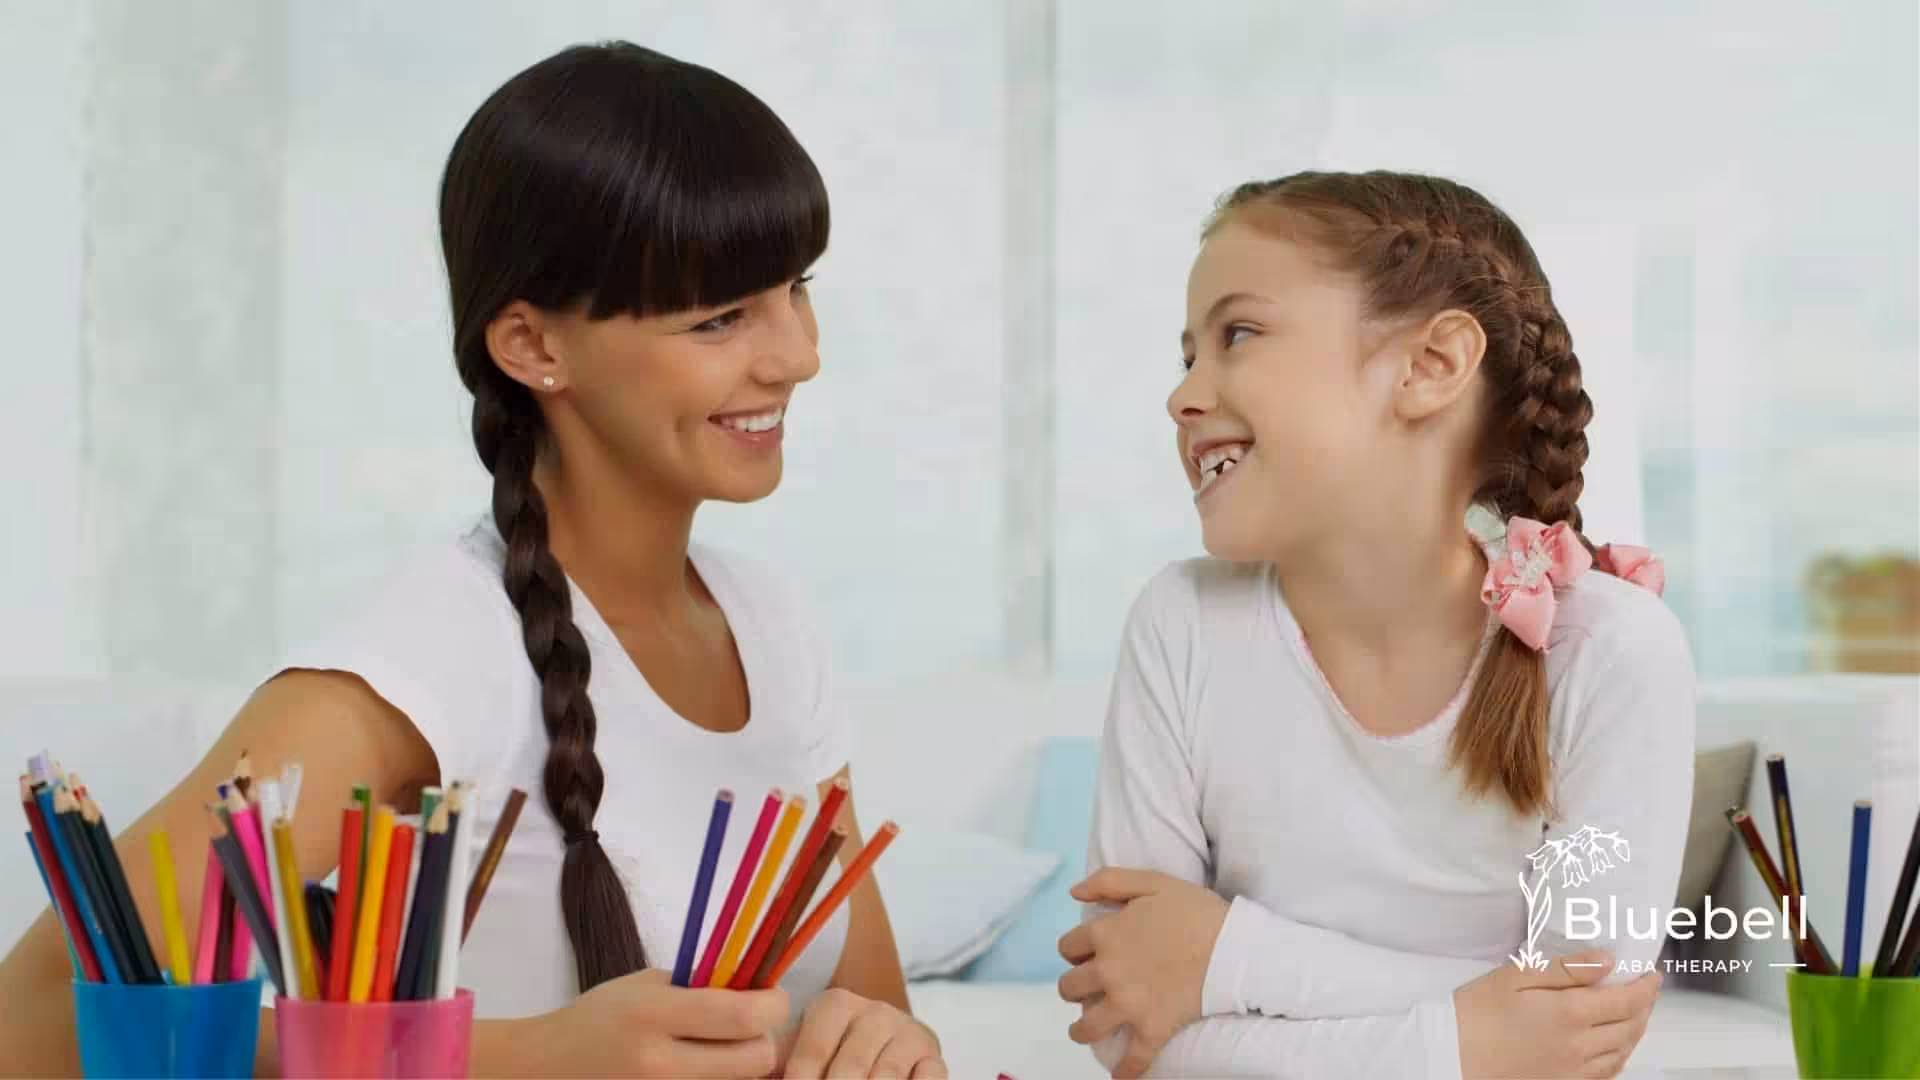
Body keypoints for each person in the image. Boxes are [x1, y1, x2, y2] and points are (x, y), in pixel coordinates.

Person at [0, 42, 944, 1079]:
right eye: (721, 318)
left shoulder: (771, 626)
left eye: (795, 290)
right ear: (534, 348)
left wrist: (893, 1045)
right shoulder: (432, 652)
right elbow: (35, 1019)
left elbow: (872, 1013)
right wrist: (520, 1058)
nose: (798, 355)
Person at [1055, 170, 1692, 1079]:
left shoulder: (1612, 650)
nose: (1184, 395)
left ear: (1430, 367)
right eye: (1187, 353)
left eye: (1237, 334)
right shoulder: (1182, 621)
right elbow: (1131, 1035)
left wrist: (1227, 959)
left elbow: (1574, 1046)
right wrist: (1472, 1038)